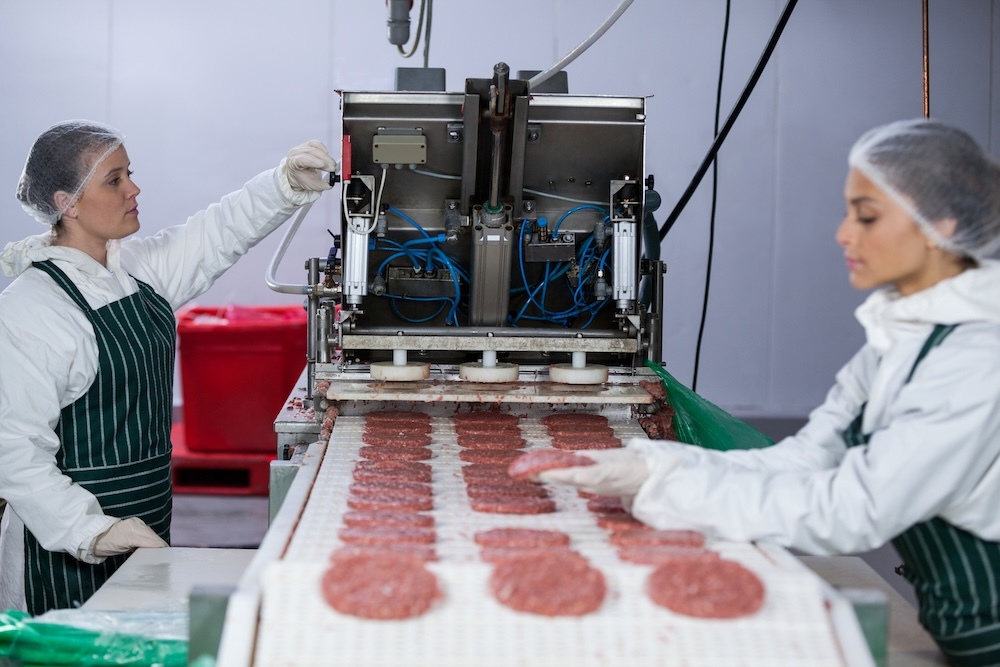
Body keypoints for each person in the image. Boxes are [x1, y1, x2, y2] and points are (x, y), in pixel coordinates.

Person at [540, 118, 1000, 666]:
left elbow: (853, 511)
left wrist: (675, 494)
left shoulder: (976, 358)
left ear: (939, 225)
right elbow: (806, 460)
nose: (843, 234)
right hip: (958, 628)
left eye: (867, 216)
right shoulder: (899, 340)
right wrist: (654, 466)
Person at [0, 120, 337, 615]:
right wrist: (93, 531)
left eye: (129, 173)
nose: (134, 188)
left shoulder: (134, 273)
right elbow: (13, 451)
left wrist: (283, 184)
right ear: (66, 203)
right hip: (60, 551)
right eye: (114, 180)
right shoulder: (32, 308)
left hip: (146, 518)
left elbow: (217, 232)